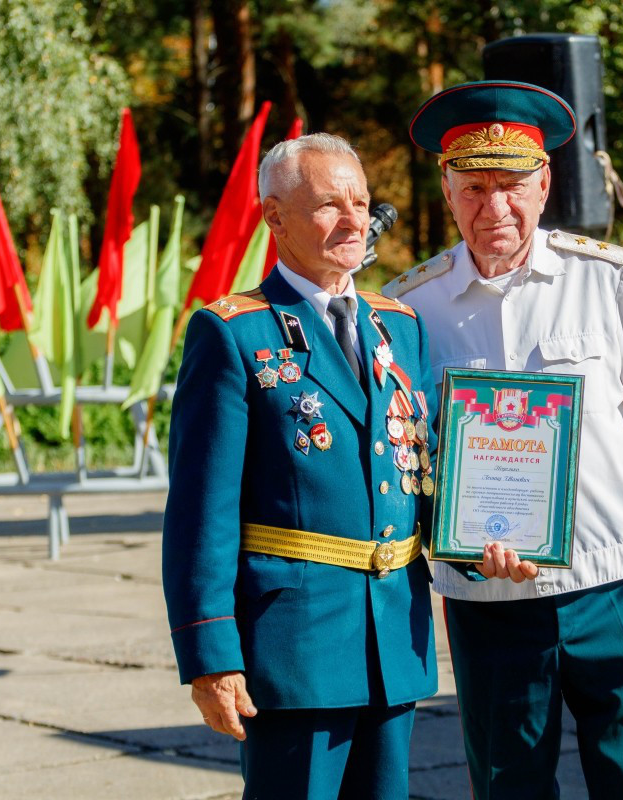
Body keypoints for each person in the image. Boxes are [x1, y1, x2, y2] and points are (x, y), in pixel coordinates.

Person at [384, 80, 623, 799]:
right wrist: (456, 545)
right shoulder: (412, 307)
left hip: (614, 581)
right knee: (510, 788)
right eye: (473, 187)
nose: (493, 207)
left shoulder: (604, 278)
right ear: (445, 188)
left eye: (511, 184)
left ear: (545, 185)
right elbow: (406, 459)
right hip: (488, 599)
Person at [161, 133, 438, 799]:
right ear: (274, 217)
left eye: (362, 203)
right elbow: (203, 513)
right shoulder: (235, 333)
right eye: (328, 205)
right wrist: (211, 656)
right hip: (295, 645)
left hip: (394, 633)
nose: (353, 221)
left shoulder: (399, 326)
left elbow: (425, 469)